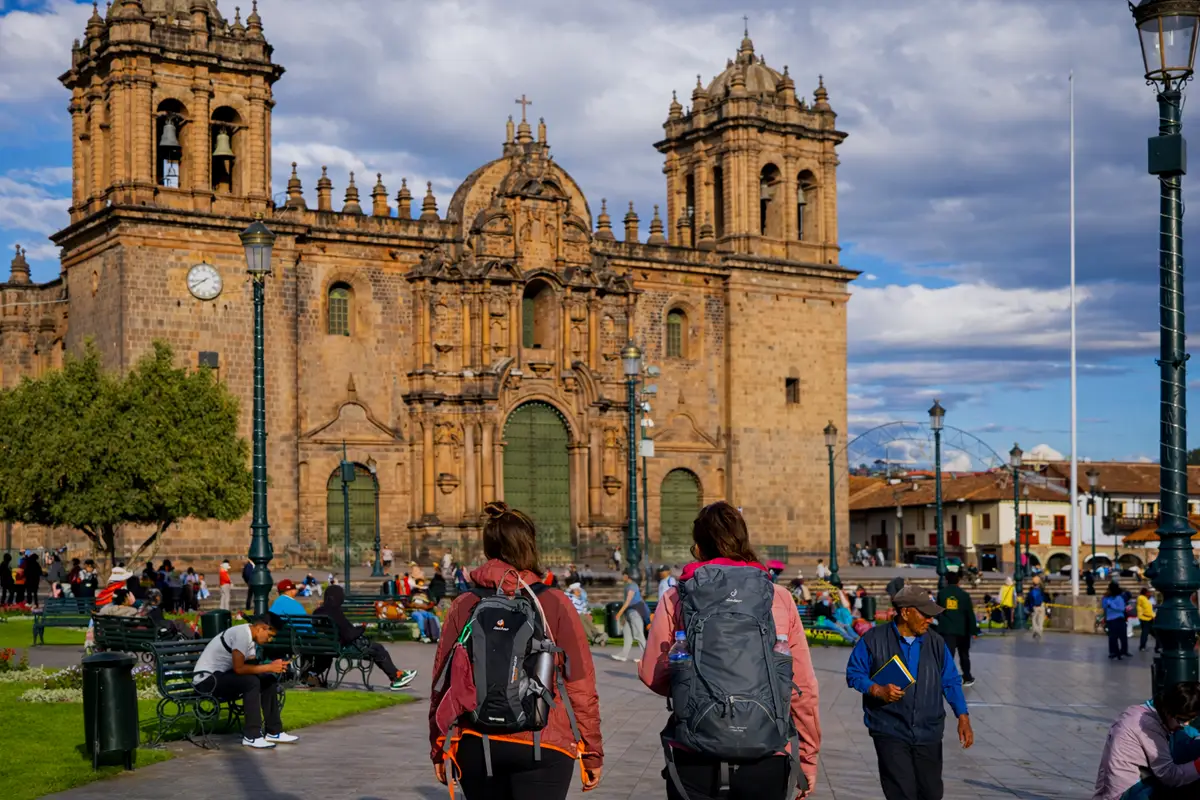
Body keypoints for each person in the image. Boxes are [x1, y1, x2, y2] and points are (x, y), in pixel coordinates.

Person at [639, 500, 821, 800]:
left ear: (698, 548)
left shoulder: (676, 596)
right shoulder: (778, 597)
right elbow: (802, 687)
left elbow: (652, 675)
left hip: (696, 751)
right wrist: (807, 757)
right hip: (768, 752)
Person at [428, 501, 603, 799]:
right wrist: (592, 751)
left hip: (475, 740)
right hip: (544, 740)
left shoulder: (464, 604)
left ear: (488, 546)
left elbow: (442, 682)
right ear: (530, 546)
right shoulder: (554, 602)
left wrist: (439, 743)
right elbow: (580, 682)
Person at [846, 584, 973, 800]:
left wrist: (962, 715)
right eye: (925, 615)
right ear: (905, 612)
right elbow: (854, 674)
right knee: (901, 793)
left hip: (929, 731)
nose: (929, 620)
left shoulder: (936, 642)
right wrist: (877, 690)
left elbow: (950, 680)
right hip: (890, 729)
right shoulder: (873, 640)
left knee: (931, 793)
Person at [192, 611, 297, 749]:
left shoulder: (251, 637)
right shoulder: (242, 635)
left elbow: (251, 666)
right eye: (270, 636)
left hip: (220, 676)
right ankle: (252, 736)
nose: (270, 640)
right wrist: (268, 667)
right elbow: (239, 669)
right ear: (261, 628)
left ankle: (274, 731)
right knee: (251, 682)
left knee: (268, 680)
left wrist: (271, 667)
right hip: (205, 681)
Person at [1093, 682, 1200, 799]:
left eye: (1192, 719)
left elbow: (1188, 735)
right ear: (1169, 711)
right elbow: (1169, 775)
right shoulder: (1147, 726)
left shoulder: (1153, 711)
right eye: (1181, 720)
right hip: (1129, 794)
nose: (1185, 725)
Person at [314, 584, 417, 691]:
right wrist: (362, 628)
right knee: (378, 649)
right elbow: (349, 635)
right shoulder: (336, 612)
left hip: (327, 646)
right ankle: (396, 677)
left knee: (376, 648)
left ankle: (397, 674)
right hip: (344, 647)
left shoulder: (318, 612)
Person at [935, 569, 978, 687]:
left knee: (948, 655)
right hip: (962, 630)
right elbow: (970, 614)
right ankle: (967, 676)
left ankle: (945, 677)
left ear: (947, 581)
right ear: (958, 581)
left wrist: (942, 622)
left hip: (947, 629)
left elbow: (937, 611)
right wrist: (973, 630)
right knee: (964, 654)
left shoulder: (942, 594)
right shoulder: (964, 595)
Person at [611, 569, 648, 663]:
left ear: (627, 576)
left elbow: (628, 601)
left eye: (623, 575)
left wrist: (619, 613)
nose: (622, 577)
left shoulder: (632, 586)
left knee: (638, 635)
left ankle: (647, 656)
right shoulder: (629, 586)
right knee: (627, 634)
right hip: (629, 613)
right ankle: (623, 655)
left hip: (634, 612)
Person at [1103, 581, 1131, 660]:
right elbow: (1105, 608)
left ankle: (1123, 651)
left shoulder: (1119, 598)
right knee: (1112, 637)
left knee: (1123, 637)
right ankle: (1113, 652)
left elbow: (1121, 609)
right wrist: (1105, 619)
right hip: (1111, 620)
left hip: (1119, 619)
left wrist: (1111, 605)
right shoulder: (1106, 598)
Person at [1027, 575, 1048, 641]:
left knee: (1034, 620)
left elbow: (1030, 601)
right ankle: (1040, 632)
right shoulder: (1041, 591)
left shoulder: (1031, 592)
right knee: (1040, 621)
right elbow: (1045, 598)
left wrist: (1030, 609)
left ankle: (1036, 631)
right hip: (1041, 606)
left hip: (1035, 607)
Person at [1138, 588, 1160, 653]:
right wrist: (1153, 616)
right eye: (1148, 592)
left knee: (1153, 633)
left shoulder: (1146, 599)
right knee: (1145, 633)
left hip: (1147, 618)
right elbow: (1147, 610)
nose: (1150, 593)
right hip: (1146, 619)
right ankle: (1143, 646)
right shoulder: (1142, 599)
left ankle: (1158, 646)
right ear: (1145, 593)